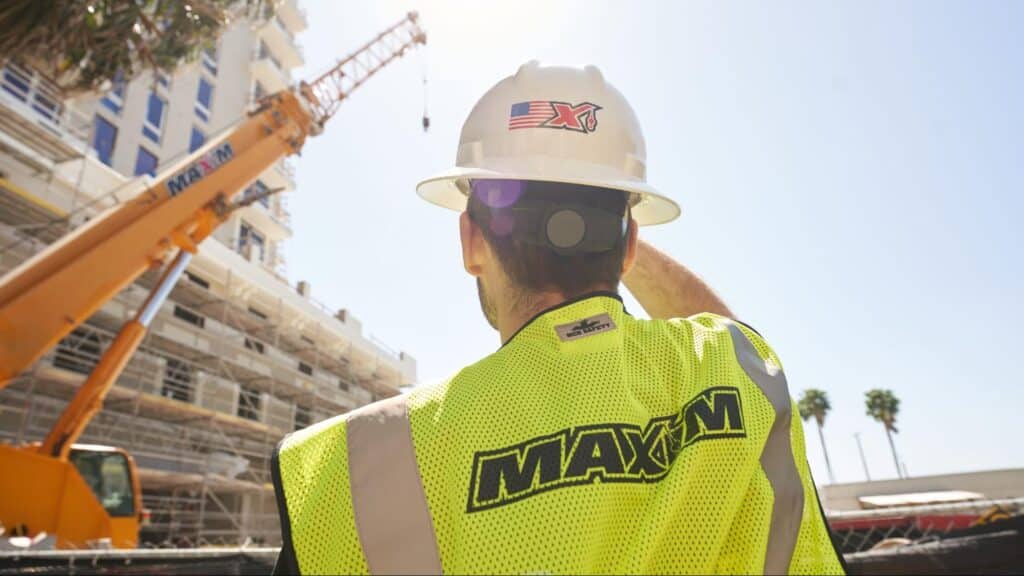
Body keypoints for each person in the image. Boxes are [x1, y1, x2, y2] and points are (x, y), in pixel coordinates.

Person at [272, 61, 846, 575]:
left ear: (470, 240)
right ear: (629, 246)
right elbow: (724, 330)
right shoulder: (737, 373)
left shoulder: (357, 464)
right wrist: (601, 212)